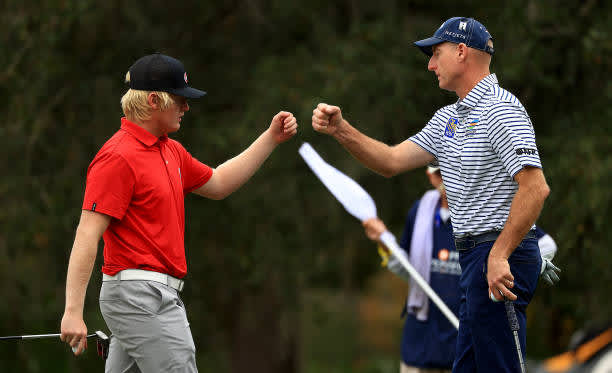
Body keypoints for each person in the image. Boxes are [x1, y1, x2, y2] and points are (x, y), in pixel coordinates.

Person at [312, 16, 551, 372]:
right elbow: (391, 161)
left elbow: (535, 188)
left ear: (460, 52)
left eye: (436, 53)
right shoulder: (447, 120)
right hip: (474, 257)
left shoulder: (501, 110)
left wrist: (499, 255)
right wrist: (341, 130)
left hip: (500, 255)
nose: (430, 64)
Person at [59, 53, 298, 372]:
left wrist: (270, 138)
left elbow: (219, 182)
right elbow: (88, 233)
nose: (186, 106)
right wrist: (73, 311)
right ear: (154, 100)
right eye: (179, 99)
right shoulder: (117, 157)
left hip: (153, 294)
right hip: (139, 296)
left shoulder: (170, 150)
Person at [363, 167, 560, 373]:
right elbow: (411, 272)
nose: (448, 177)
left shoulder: (489, 209)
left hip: (469, 342)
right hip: (421, 346)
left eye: (453, 169)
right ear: (431, 177)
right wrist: (385, 241)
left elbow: (545, 245)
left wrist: (508, 264)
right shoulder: (420, 211)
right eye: (441, 173)